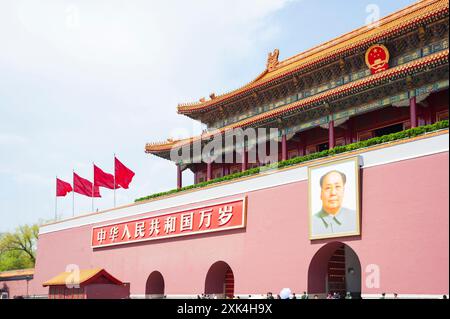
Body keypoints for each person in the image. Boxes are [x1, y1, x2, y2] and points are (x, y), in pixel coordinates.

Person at [312, 170, 357, 236]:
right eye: (328, 188)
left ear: (343, 191)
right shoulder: (312, 222)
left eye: (337, 187)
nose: (333, 193)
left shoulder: (355, 217)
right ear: (321, 193)